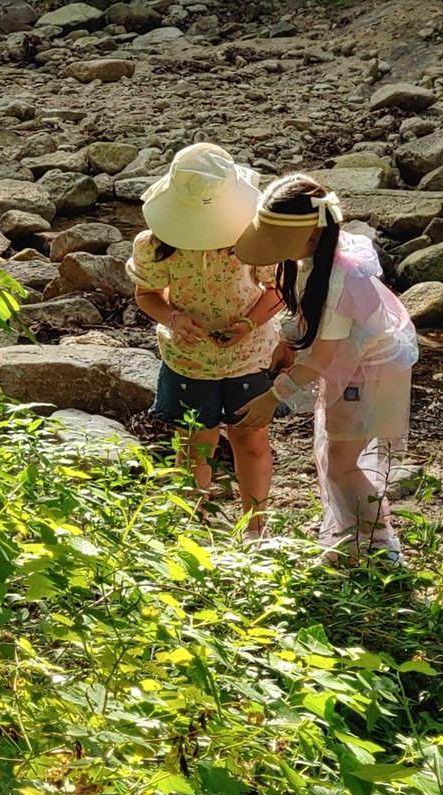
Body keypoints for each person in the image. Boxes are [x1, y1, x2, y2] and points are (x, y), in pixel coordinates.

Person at [232, 174, 418, 563]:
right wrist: (287, 344)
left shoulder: (339, 279)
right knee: (338, 460)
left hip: (370, 373)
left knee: (342, 466)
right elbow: (308, 317)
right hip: (358, 365)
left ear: (310, 234)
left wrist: (274, 397)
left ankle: (382, 548)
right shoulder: (313, 259)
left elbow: (322, 359)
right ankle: (354, 543)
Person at [127, 143, 284, 535]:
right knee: (195, 446)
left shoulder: (254, 236)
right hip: (190, 359)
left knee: (250, 440)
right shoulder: (155, 244)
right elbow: (147, 294)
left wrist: (248, 324)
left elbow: (278, 290)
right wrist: (173, 317)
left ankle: (255, 530)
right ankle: (192, 528)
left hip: (250, 356)